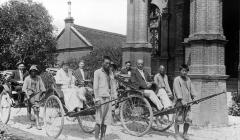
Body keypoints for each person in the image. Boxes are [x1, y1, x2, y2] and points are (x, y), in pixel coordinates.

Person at [94, 56, 117, 140]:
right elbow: (95, 87)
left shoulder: (110, 73)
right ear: (102, 63)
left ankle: (102, 137)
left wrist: (115, 96)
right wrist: (97, 99)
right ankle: (96, 138)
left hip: (108, 98)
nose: (108, 65)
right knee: (98, 121)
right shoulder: (97, 72)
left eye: (109, 63)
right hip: (100, 98)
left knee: (106, 120)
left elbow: (113, 85)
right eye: (106, 63)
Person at [173, 64, 196, 140]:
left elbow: (191, 89)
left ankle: (185, 133)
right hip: (179, 102)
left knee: (188, 118)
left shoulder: (188, 79)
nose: (184, 72)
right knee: (178, 118)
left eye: (186, 71)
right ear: (180, 71)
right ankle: (176, 134)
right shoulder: (177, 79)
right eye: (183, 71)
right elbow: (177, 90)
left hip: (188, 102)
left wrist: (194, 98)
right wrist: (181, 100)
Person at [22, 65, 46, 130]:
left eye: (34, 71)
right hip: (28, 94)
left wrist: (43, 92)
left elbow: (42, 85)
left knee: (36, 108)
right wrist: (27, 95)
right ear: (30, 72)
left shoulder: (39, 78)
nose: (33, 73)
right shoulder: (27, 78)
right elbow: (24, 88)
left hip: (36, 94)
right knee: (29, 109)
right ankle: (29, 123)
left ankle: (37, 124)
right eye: (32, 71)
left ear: (36, 72)